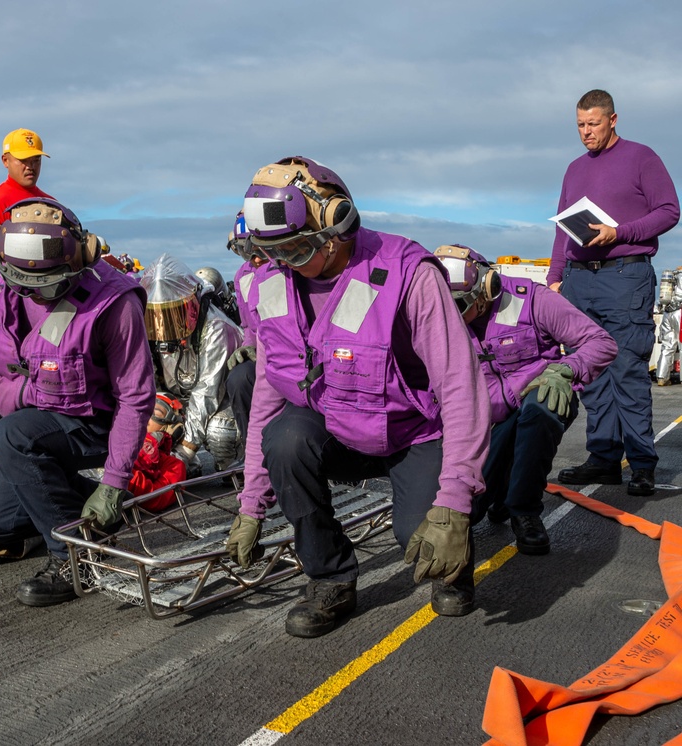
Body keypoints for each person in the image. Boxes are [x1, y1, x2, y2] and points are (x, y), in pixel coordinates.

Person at [225, 156, 490, 638]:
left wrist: (454, 501)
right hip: (340, 428)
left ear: (336, 225)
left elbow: (461, 388)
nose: (287, 264)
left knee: (421, 542)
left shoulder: (409, 274)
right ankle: (330, 579)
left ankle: (459, 557)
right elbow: (267, 392)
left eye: (298, 250)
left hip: (412, 432)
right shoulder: (272, 282)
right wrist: (251, 504)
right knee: (284, 439)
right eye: (275, 253)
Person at [0, 198, 155, 607]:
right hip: (29, 424)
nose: (33, 295)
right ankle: (95, 510)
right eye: (23, 284)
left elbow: (135, 397)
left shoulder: (114, 302)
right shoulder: (2, 281)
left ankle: (75, 558)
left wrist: (115, 478)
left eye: (46, 286)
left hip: (90, 424)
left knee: (14, 435)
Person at [434, 245, 617, 555]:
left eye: (462, 307)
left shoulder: (533, 299)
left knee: (538, 412)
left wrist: (565, 370)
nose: (457, 319)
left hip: (542, 394)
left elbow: (601, 342)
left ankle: (525, 512)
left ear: (487, 288)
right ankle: (504, 493)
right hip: (488, 419)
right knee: (469, 510)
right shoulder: (441, 318)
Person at [547, 90, 679, 497]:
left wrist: (619, 232)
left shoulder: (642, 157)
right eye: (580, 126)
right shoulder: (573, 169)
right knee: (591, 372)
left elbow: (669, 211)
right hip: (578, 279)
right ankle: (603, 460)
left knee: (626, 369)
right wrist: (555, 278)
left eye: (593, 124)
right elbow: (561, 228)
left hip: (625, 276)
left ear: (613, 119)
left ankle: (641, 464)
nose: (586, 132)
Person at [140, 254, 243, 474]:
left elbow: (207, 392)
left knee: (220, 433)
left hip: (223, 400)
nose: (163, 325)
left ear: (191, 305)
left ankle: (240, 466)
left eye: (172, 314)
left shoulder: (217, 328)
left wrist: (186, 450)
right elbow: (149, 383)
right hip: (181, 398)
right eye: (156, 315)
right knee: (151, 423)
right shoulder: (150, 331)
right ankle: (187, 466)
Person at [0, 129, 53, 299]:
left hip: (51, 301)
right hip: (11, 304)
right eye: (23, 160)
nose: (30, 166)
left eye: (36, 160)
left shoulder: (51, 204)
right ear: (5, 161)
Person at [224, 210, 268, 445]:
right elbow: (248, 326)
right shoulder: (243, 277)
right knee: (238, 379)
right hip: (263, 354)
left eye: (259, 250)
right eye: (245, 252)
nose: (255, 259)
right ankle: (252, 447)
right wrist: (248, 346)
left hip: (292, 357)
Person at [128, 394, 188, 510]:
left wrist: (121, 475)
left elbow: (155, 498)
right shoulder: (114, 439)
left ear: (173, 427)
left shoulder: (174, 466)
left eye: (156, 412)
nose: (144, 415)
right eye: (141, 408)